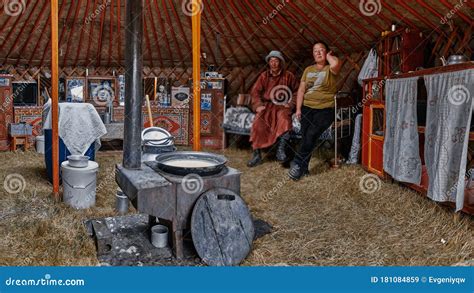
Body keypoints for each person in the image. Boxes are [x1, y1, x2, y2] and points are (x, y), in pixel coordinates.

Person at [288, 42, 342, 180]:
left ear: (327, 52)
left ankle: (297, 162)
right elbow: (301, 90)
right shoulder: (308, 70)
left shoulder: (331, 68)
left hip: (325, 110)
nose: (318, 53)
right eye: (315, 51)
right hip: (307, 108)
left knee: (312, 133)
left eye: (321, 50)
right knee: (306, 137)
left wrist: (329, 56)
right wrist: (298, 109)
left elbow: (336, 64)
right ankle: (303, 170)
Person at [247, 50, 299, 167]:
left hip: (282, 105)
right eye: (271, 61)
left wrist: (290, 104)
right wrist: (258, 105)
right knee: (258, 122)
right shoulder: (264, 76)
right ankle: (257, 155)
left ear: (280, 62)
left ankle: (281, 151)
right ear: (269, 63)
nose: (274, 63)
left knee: (284, 120)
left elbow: (297, 91)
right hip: (267, 106)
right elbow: (255, 92)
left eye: (276, 61)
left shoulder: (288, 76)